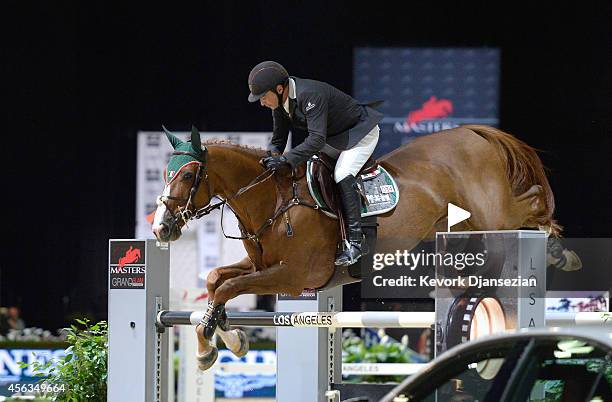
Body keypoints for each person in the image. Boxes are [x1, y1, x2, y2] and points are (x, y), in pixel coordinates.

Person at [247, 61, 383, 266]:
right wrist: (270, 158)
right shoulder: (280, 102)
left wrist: (285, 159)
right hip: (335, 137)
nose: (262, 103)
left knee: (342, 174)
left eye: (263, 97)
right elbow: (278, 140)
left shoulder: (309, 95)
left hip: (360, 133)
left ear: (279, 89)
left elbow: (316, 140)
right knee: (313, 169)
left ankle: (356, 242)